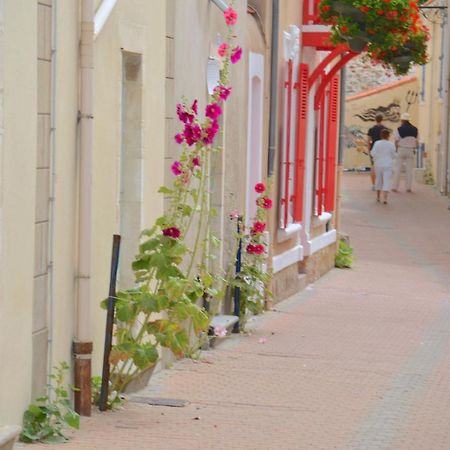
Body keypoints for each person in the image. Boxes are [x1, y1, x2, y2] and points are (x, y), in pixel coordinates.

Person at [392, 112, 419, 192]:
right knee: (409, 170)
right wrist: (414, 149)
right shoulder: (415, 129)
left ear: (402, 120)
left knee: (397, 169)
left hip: (401, 149)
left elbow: (396, 140)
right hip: (411, 150)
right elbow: (417, 142)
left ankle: (395, 187)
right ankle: (408, 188)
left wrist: (396, 149)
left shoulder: (398, 129)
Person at [371, 128, 396, 204]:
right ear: (388, 136)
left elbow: (372, 153)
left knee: (378, 180)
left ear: (381, 135)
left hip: (378, 164)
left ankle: (378, 197)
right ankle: (385, 199)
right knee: (386, 180)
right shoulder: (391, 144)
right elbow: (394, 155)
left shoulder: (377, 143)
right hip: (388, 164)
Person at [367, 114, 387, 191]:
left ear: (375, 120)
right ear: (382, 119)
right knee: (382, 167)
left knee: (373, 167)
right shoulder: (385, 129)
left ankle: (373, 185)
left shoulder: (371, 129)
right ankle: (381, 184)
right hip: (383, 149)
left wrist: (369, 150)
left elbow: (369, 141)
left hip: (374, 149)